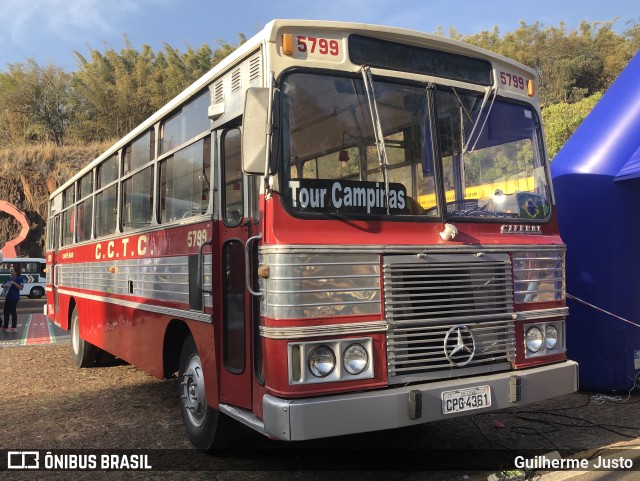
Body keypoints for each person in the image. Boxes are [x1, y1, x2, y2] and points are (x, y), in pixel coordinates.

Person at [2, 266, 24, 332]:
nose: (11, 272)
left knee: (12, 312)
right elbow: (3, 284)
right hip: (8, 297)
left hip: (14, 298)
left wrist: (14, 283)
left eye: (12, 271)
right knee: (6, 311)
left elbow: (21, 288)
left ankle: (13, 327)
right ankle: (5, 326)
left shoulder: (19, 279)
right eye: (11, 271)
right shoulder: (10, 278)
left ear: (16, 272)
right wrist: (3, 285)